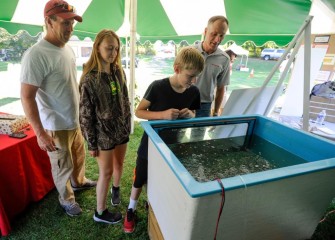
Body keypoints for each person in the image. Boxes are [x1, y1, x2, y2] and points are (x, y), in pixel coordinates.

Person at [20, 0, 97, 217]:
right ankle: (66, 199)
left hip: (74, 120)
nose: (70, 28)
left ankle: (79, 181)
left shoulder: (67, 49)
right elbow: (27, 97)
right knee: (63, 165)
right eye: (65, 23)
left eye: (72, 23)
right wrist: (40, 133)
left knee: (78, 157)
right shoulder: (36, 54)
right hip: (55, 124)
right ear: (49, 22)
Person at [123, 46, 204, 233]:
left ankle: (155, 205)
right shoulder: (158, 86)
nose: (193, 81)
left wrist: (190, 115)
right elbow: (139, 111)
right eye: (190, 76)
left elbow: (195, 112)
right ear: (177, 68)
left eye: (196, 76)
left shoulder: (193, 91)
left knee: (164, 179)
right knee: (141, 176)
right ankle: (131, 209)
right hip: (150, 143)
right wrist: (163, 115)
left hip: (174, 144)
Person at [79, 29, 131, 224]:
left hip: (121, 129)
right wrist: (91, 143)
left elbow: (125, 99)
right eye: (109, 48)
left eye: (116, 49)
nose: (114, 53)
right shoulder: (89, 79)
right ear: (97, 47)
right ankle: (100, 212)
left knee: (119, 165)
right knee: (106, 172)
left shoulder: (118, 71)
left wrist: (127, 123)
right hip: (103, 135)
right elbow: (85, 114)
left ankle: (115, 189)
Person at [194, 15, 231, 117]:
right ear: (205, 31)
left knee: (199, 133)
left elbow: (221, 87)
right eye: (214, 34)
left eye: (221, 35)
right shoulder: (189, 52)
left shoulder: (225, 59)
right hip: (183, 101)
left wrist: (215, 112)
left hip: (205, 105)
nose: (217, 40)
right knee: (178, 132)